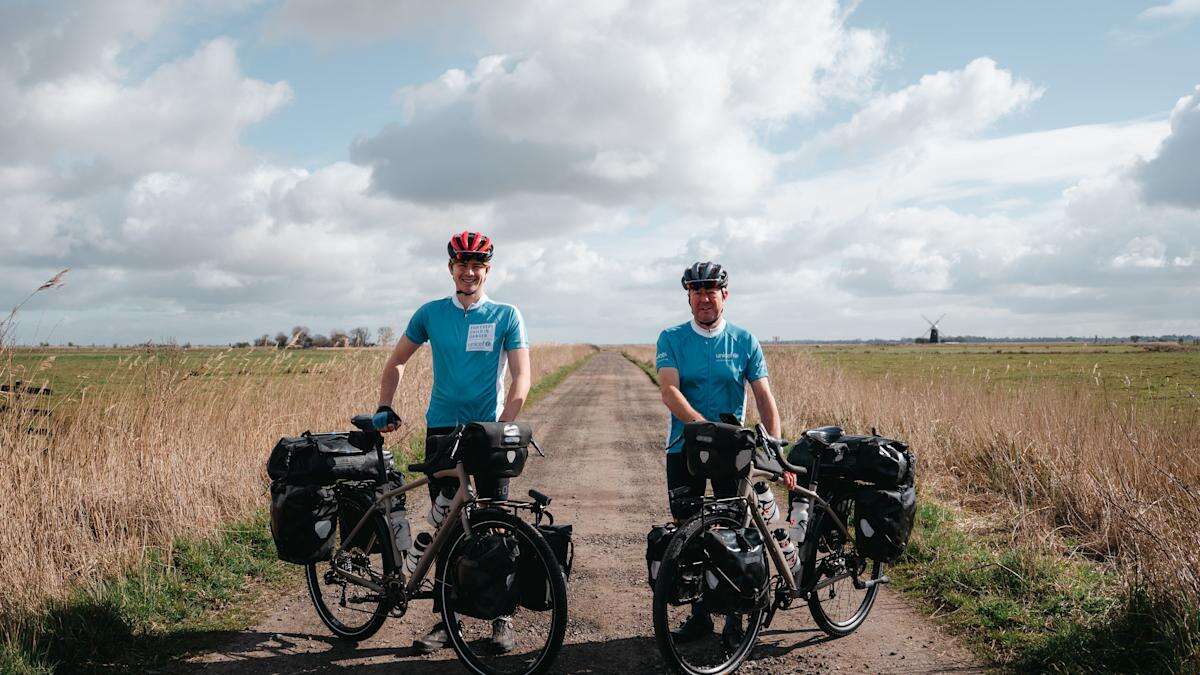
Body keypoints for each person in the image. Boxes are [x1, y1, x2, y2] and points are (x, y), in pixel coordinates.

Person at [376, 230, 531, 654]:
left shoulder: (506, 315)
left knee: (497, 523)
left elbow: (522, 377)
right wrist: (385, 404)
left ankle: (501, 618)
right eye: (462, 263)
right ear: (451, 268)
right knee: (445, 525)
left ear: (487, 270)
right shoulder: (430, 314)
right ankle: (446, 620)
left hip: (488, 433)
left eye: (477, 264)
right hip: (443, 431)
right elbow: (397, 361)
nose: (469, 271)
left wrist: (504, 426)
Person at [654, 260, 793, 647]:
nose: (703, 298)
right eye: (696, 291)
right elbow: (669, 390)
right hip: (685, 449)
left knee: (737, 533)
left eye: (710, 290)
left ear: (724, 295)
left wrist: (775, 445)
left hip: (732, 452)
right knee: (689, 535)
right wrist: (700, 426)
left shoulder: (744, 340)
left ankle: (738, 616)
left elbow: (763, 394)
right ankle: (699, 617)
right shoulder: (671, 338)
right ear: (689, 297)